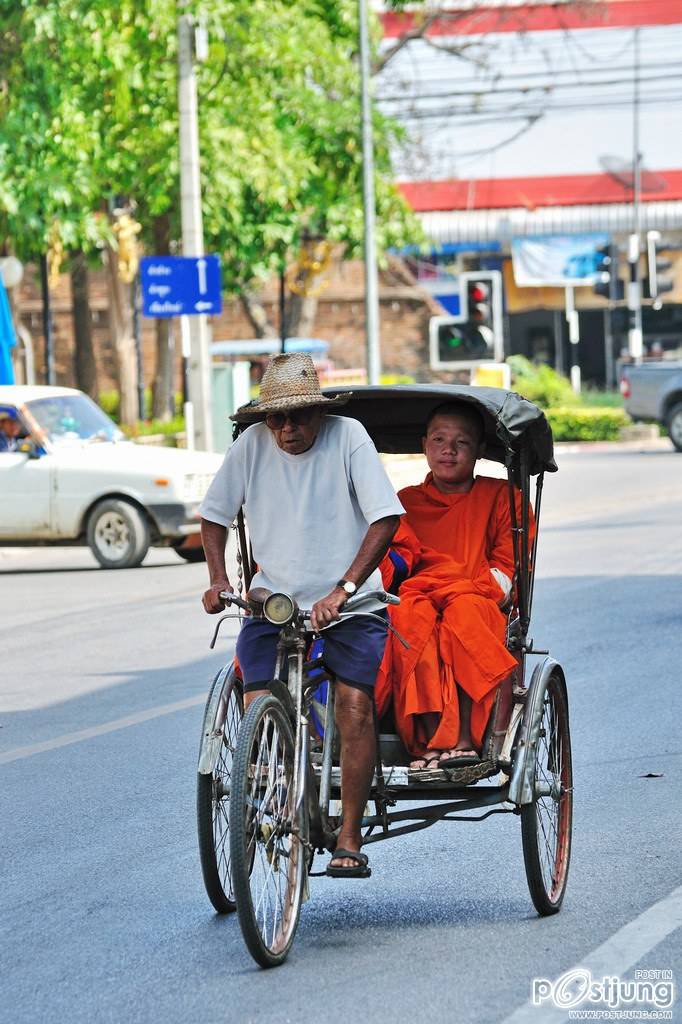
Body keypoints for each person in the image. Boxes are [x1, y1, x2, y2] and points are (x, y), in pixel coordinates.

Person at [199, 353, 403, 877]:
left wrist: (345, 587)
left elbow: (384, 518)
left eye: (299, 417)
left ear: (318, 411)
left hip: (351, 603)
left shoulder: (348, 436)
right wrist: (219, 580)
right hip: (277, 601)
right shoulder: (250, 447)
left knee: (354, 709)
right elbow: (214, 515)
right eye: (277, 419)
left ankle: (350, 836)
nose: (288, 429)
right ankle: (271, 785)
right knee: (257, 700)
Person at [377, 401, 526, 771]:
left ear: (478, 450)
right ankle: (427, 740)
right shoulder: (404, 503)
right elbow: (395, 562)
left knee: (462, 615)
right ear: (424, 444)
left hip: (479, 599)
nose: (449, 450)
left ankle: (462, 739)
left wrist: (459, 589)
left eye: (462, 442)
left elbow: (507, 570)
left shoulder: (504, 498)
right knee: (409, 619)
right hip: (418, 596)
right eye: (440, 440)